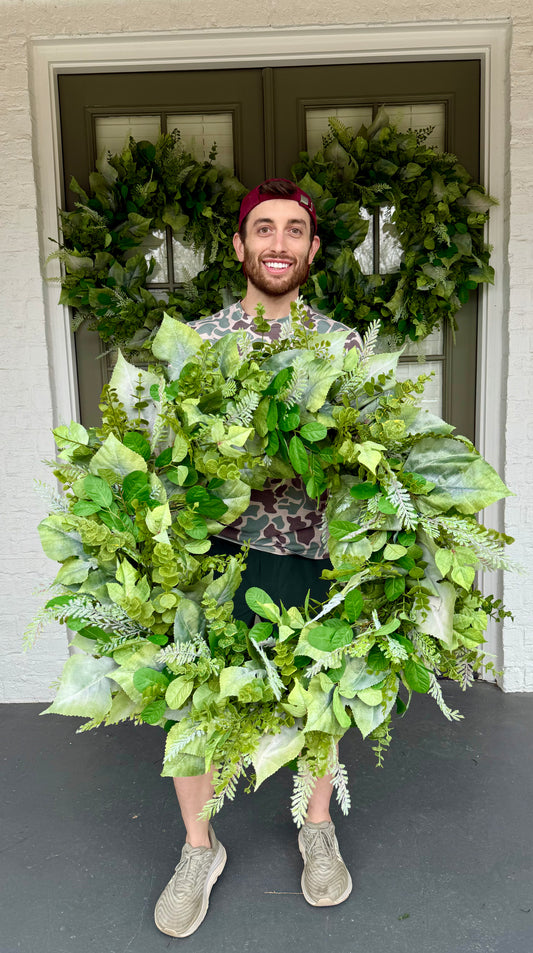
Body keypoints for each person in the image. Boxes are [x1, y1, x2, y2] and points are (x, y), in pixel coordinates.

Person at [154, 179, 362, 938]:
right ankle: (198, 847)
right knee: (186, 699)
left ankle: (314, 825)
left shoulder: (339, 345)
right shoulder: (196, 342)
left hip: (308, 550)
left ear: (312, 249)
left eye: (294, 230)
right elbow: (161, 457)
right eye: (263, 229)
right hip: (211, 552)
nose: (279, 242)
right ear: (239, 246)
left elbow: (370, 462)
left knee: (317, 692)